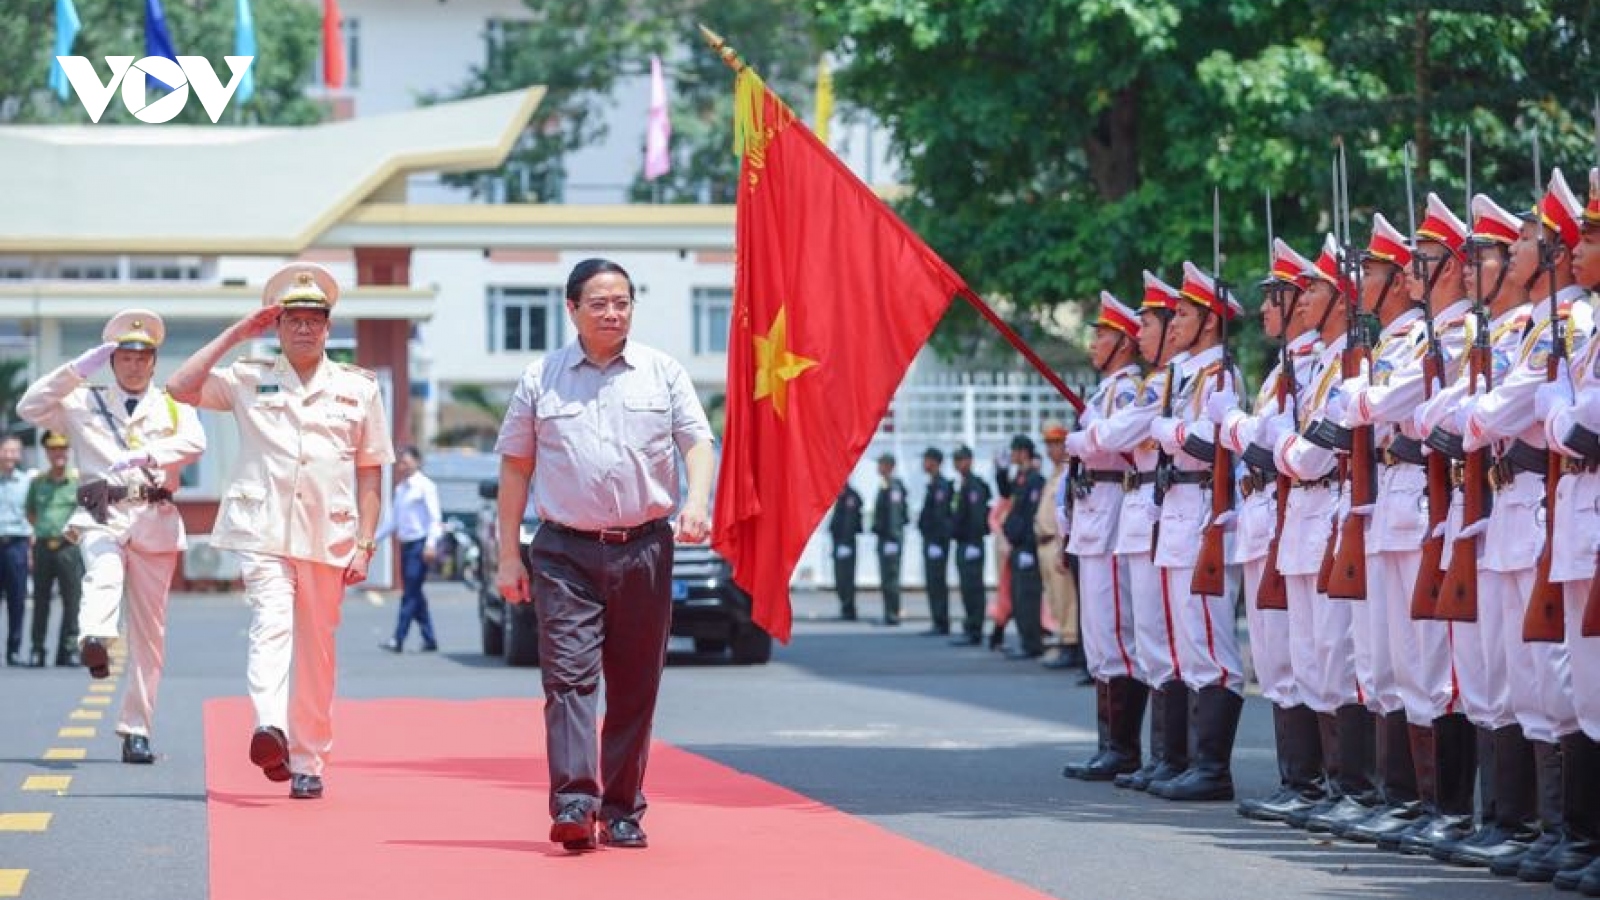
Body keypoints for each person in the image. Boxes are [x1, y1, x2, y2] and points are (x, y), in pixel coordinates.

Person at [491, 258, 714, 852]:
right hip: (563, 550)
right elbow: (515, 469)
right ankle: (573, 801)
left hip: (644, 547)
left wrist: (697, 501)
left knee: (635, 685)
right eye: (599, 303)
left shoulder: (662, 373)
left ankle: (620, 809)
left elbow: (697, 441)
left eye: (621, 302)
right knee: (567, 679)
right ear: (572, 309)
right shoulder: (541, 379)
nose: (612, 312)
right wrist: (508, 556)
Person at [167, 263, 392, 799]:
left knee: (316, 652)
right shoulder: (249, 376)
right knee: (271, 625)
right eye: (293, 319)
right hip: (261, 529)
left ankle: (308, 758)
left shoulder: (358, 388)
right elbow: (179, 387)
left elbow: (370, 471)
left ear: (328, 327)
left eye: (315, 319)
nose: (305, 328)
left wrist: (365, 543)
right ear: (277, 326)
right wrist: (236, 333)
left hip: (329, 536)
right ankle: (270, 726)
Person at [19, 310, 206, 764]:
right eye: (124, 356)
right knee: (101, 573)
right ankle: (95, 639)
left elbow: (196, 443)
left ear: (154, 362)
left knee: (149, 634)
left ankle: (136, 728)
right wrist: (77, 368)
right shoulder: (84, 400)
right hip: (102, 512)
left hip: (153, 513)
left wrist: (149, 452)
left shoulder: (174, 404)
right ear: (111, 359)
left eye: (143, 357)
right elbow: (30, 407)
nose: (134, 364)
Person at [1146, 261, 1246, 802]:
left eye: (1184, 314)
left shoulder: (1220, 375)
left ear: (1210, 322)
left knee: (1209, 638)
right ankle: (1188, 759)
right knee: (1185, 639)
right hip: (1179, 507)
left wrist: (1169, 430)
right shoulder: (1188, 375)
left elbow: (1212, 442)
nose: (1174, 322)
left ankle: (1213, 768)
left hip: (1206, 508)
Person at [1059, 291, 1146, 780]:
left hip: (1112, 511)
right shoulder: (1103, 391)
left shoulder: (1128, 389)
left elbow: (1113, 441)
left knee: (1116, 629)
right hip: (1093, 514)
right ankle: (1108, 742)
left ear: (1124, 344)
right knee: (1098, 635)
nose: (1094, 343)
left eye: (1103, 335)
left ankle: (1123, 747)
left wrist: (1081, 439)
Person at [24, 431, 83, 668]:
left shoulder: (78, 482)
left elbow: (85, 513)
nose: (58, 453)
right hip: (43, 548)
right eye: (53, 449)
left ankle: (67, 650)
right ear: (47, 452)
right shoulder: (37, 482)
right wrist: (44, 530)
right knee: (41, 601)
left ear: (67, 452)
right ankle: (37, 649)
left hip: (68, 548)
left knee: (72, 601)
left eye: (62, 448)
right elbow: (30, 512)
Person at [376, 446, 443, 653]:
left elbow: (435, 519)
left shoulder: (425, 486)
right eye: (400, 463)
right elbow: (393, 521)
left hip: (420, 545)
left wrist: (431, 544)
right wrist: (372, 540)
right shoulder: (401, 488)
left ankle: (398, 638)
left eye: (405, 462)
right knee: (415, 594)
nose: (402, 467)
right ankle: (429, 638)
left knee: (409, 594)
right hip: (405, 546)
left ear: (417, 461)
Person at [1036, 421, 1081, 669]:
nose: (1050, 450)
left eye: (1054, 444)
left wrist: (1062, 545)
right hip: (1044, 542)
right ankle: (1065, 639)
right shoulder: (1053, 474)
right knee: (1055, 598)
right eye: (1048, 444)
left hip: (1057, 541)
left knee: (1067, 598)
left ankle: (1070, 644)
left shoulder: (1066, 473)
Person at [1000, 434, 1046, 659]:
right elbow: (1005, 494)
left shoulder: (1035, 480)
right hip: (1018, 547)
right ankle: (1025, 641)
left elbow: (1032, 517)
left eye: (1015, 451)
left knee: (1028, 598)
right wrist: (1000, 471)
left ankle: (1032, 644)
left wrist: (1029, 548)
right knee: (1018, 598)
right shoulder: (1021, 477)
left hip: (1027, 548)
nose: (1012, 456)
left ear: (1024, 453)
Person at [948, 446, 991, 646]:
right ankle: (970, 625)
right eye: (956, 460)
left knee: (974, 588)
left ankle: (975, 629)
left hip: (971, 543)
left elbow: (976, 517)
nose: (958, 464)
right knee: (966, 588)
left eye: (961, 459)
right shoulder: (962, 484)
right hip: (963, 543)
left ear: (970, 460)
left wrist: (974, 541)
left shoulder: (974, 486)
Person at [917, 447, 954, 635]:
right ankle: (937, 620)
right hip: (931, 542)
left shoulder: (941, 486)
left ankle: (941, 622)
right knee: (933, 582)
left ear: (935, 462)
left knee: (937, 582)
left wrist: (937, 543)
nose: (924, 463)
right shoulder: (933, 484)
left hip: (937, 543)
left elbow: (940, 518)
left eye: (926, 459)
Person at [0, 435, 30, 667]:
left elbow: (33, 513)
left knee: (17, 600)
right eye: (6, 451)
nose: (10, 455)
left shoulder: (27, 482)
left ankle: (14, 649)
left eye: (14, 451)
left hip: (17, 544)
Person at [872, 453, 909, 626]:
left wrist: (893, 541)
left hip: (890, 541)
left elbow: (894, 516)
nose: (878, 467)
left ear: (889, 466)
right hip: (886, 539)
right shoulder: (885, 485)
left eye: (881, 463)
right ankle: (889, 613)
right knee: (886, 579)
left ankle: (893, 613)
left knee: (891, 578)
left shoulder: (893, 487)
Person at [828, 483, 863, 620]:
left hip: (846, 544)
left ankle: (849, 609)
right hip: (840, 543)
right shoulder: (841, 495)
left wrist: (845, 544)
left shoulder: (850, 497)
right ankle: (845, 607)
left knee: (846, 578)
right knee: (840, 579)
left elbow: (850, 521)